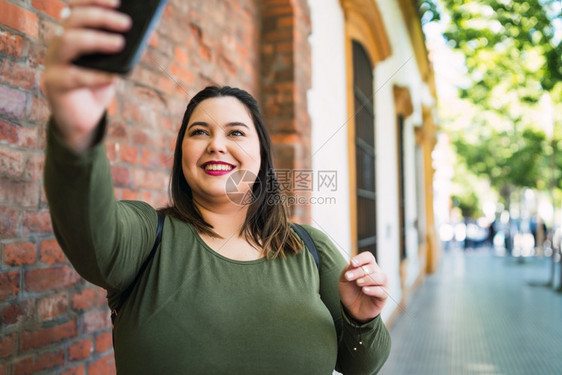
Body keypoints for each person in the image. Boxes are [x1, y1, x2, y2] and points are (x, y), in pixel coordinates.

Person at [42, 1, 391, 374]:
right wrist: (76, 136)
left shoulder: (309, 248)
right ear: (182, 155)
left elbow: (363, 364)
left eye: (236, 132)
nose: (216, 145)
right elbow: (90, 234)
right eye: (199, 132)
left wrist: (362, 319)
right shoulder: (148, 237)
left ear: (261, 155)